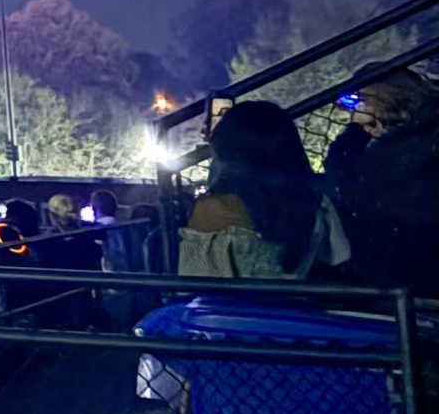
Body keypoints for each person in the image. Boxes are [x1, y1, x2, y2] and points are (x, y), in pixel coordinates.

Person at [181, 100, 349, 280]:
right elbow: (339, 256)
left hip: (233, 307)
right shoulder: (317, 204)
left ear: (226, 148)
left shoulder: (215, 209)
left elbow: (193, 282)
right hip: (291, 303)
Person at [323, 70, 439, 297]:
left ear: (383, 97)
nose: (352, 112)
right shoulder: (414, 137)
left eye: (359, 100)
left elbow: (346, 179)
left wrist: (354, 133)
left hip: (409, 277)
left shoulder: (398, 154)